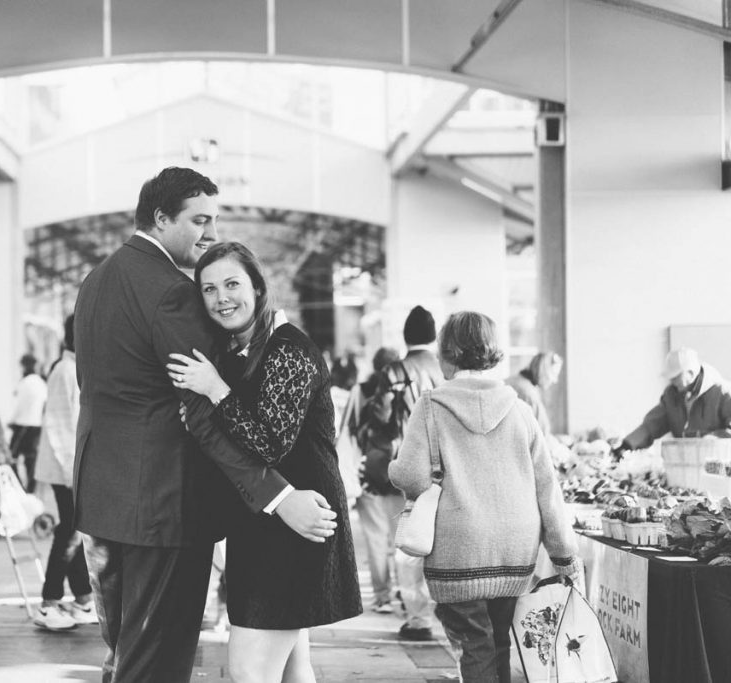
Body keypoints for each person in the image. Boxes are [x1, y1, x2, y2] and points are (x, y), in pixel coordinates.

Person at [72, 167, 336, 683]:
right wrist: (279, 496)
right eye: (200, 220)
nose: (211, 233)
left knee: (124, 654)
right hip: (162, 507)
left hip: (102, 500)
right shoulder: (172, 292)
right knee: (156, 663)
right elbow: (201, 416)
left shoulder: (95, 281)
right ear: (160, 218)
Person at [168, 241, 362, 682]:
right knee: (294, 668)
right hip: (266, 525)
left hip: (297, 522)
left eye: (232, 284)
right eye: (209, 289)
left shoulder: (288, 350)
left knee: (249, 671)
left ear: (257, 287)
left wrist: (214, 390)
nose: (221, 298)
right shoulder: (240, 351)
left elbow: (269, 443)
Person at [388, 311, 580, 682]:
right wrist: (564, 555)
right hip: (515, 549)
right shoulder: (521, 410)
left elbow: (410, 476)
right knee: (501, 642)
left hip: (458, 550)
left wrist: (395, 468)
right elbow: (547, 489)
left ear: (447, 355)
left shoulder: (431, 407)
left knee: (474, 645)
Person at [355, 305, 442, 639]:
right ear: (434, 336)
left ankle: (419, 618)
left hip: (407, 464)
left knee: (409, 541)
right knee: (440, 541)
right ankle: (442, 611)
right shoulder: (444, 367)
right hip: (443, 467)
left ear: (406, 336)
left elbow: (380, 416)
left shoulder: (395, 370)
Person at [32, 314, 96, 632]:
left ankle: (83, 599)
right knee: (69, 533)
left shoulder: (74, 369)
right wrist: (76, 473)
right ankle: (49, 603)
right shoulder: (65, 371)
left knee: (73, 532)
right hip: (67, 470)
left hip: (70, 468)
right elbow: (60, 425)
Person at [613, 347, 731, 456]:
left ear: (690, 373)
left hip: (718, 463)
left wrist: (710, 440)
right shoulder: (672, 395)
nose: (672, 381)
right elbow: (652, 425)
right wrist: (627, 445)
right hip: (686, 463)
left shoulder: (723, 393)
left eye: (675, 377)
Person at [8, 353, 47, 493]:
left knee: (11, 457)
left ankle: (17, 487)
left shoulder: (24, 383)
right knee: (31, 460)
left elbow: (18, 406)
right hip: (37, 425)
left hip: (22, 424)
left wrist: (11, 421)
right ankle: (31, 490)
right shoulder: (41, 383)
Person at [506, 351, 563, 438]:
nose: (554, 381)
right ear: (544, 373)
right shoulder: (529, 395)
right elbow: (542, 434)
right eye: (554, 375)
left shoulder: (510, 381)